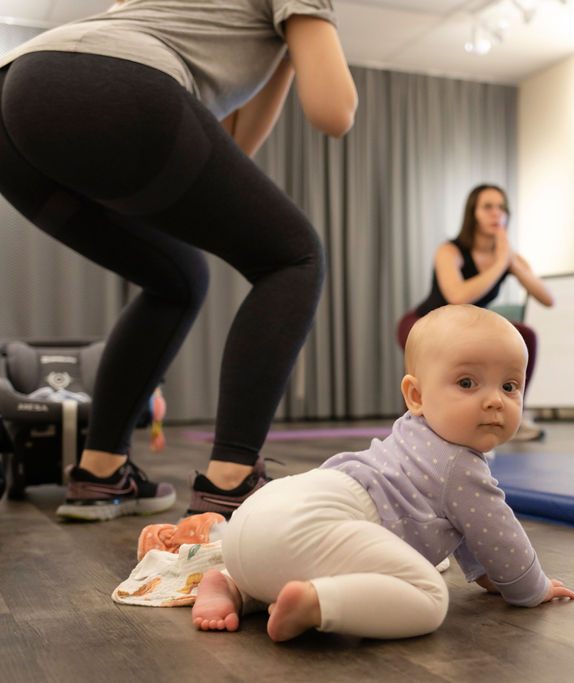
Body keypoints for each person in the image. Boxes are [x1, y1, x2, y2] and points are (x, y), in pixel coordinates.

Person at [0, 0, 358, 520]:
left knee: (177, 277)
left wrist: (285, 48)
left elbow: (235, 148)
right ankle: (230, 486)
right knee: (294, 256)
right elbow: (334, 112)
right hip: (109, 82)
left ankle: (100, 474)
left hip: (17, 97)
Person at [192, 305, 574, 641]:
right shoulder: (461, 466)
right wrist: (531, 587)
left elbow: (465, 524)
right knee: (429, 597)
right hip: (305, 526)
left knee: (292, 558)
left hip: (257, 519)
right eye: (467, 383)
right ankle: (317, 603)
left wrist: (486, 574)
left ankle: (231, 585)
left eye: (510, 386)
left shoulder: (413, 435)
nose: (495, 400)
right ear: (416, 396)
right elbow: (499, 534)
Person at [397, 184, 554, 441]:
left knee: (524, 334)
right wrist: (501, 263)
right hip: (421, 323)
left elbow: (548, 299)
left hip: (465, 332)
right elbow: (457, 297)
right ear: (473, 213)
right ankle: (414, 428)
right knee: (430, 367)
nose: (496, 213)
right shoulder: (450, 251)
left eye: (501, 207)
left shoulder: (509, 257)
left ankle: (517, 414)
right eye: (487, 207)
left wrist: (511, 262)